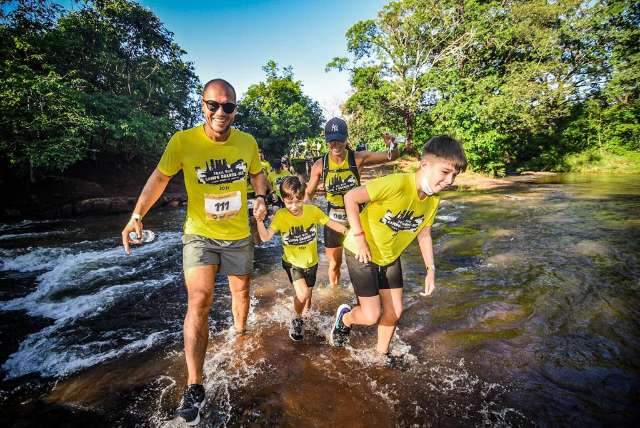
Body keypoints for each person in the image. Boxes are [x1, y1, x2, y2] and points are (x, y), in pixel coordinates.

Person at [120, 79, 268, 426]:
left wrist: (261, 197)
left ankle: (240, 335)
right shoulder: (183, 141)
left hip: (238, 236)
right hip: (199, 235)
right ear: (201, 105)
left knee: (241, 291)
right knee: (199, 299)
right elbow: (159, 179)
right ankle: (194, 385)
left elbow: (259, 176)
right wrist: (137, 215)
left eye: (228, 106)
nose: (220, 112)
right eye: (213, 105)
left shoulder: (246, 142)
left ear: (235, 109)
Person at [330, 135, 467, 358]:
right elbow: (351, 198)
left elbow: (424, 233)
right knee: (371, 315)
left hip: (390, 256)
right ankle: (345, 318)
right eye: (445, 172)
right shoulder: (397, 184)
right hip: (361, 251)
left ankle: (380, 356)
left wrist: (431, 269)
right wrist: (361, 237)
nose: (450, 180)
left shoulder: (433, 200)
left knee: (395, 312)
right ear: (425, 164)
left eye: (454, 175)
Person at [304, 117, 409, 288]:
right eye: (331, 141)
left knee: (367, 259)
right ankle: (335, 293)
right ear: (326, 141)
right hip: (333, 220)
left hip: (358, 218)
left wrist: (393, 144)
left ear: (346, 139)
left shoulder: (358, 158)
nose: (335, 145)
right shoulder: (319, 165)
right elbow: (308, 194)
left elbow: (391, 156)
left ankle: (367, 293)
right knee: (335, 264)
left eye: (339, 140)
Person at [256, 176, 348, 341]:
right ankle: (296, 318)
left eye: (298, 201)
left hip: (311, 263)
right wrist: (259, 221)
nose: (294, 206)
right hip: (292, 263)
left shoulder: (312, 211)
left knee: (308, 299)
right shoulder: (281, 216)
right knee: (303, 293)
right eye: (289, 202)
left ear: (303, 196)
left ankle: (305, 319)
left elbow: (330, 223)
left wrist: (349, 232)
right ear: (283, 200)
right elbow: (265, 237)